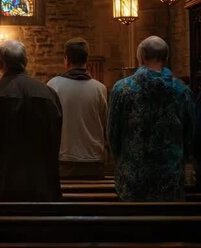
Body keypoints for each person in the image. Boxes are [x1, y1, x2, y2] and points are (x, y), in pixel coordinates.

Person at [0, 40, 62, 201]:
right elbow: (56, 139)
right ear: (25, 62)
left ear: (0, 64)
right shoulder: (49, 94)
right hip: (41, 186)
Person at [107, 36, 195, 201]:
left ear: (141, 57)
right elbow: (190, 135)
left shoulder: (122, 89)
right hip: (170, 181)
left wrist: (120, 160)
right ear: (166, 58)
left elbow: (113, 134)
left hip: (132, 181)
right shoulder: (182, 91)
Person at [47, 38, 107, 179]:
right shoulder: (100, 88)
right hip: (93, 160)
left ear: (66, 59)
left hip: (64, 160)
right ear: (87, 60)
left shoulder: (53, 86)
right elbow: (105, 123)